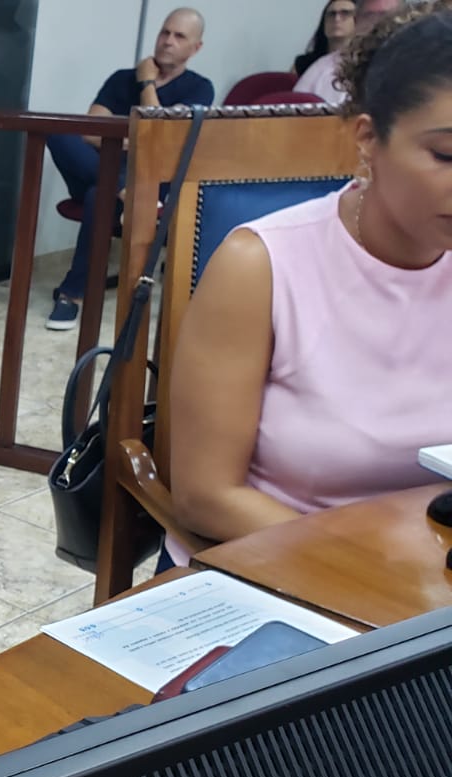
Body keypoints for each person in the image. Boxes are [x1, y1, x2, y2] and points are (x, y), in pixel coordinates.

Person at [167, 1, 452, 569]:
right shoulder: (262, 265)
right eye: (446, 154)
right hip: (282, 566)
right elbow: (207, 496)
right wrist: (374, 570)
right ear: (368, 138)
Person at [45, 8, 214, 330]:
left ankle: (71, 294)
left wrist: (146, 82)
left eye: (179, 36)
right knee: (59, 132)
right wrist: (137, 143)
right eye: (165, 32)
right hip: (99, 168)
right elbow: (90, 131)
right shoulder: (121, 78)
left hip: (151, 180)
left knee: (99, 195)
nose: (167, 41)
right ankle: (124, 188)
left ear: (196, 48)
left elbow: (161, 139)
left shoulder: (200, 89)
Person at [295, 0, 404, 104]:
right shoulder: (322, 68)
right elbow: (294, 110)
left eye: (386, 15)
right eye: (369, 16)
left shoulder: (412, 64)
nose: (377, 23)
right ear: (356, 22)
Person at [293, 0, 357, 77]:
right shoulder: (303, 63)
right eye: (331, 14)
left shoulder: (364, 64)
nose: (337, 19)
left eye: (345, 13)